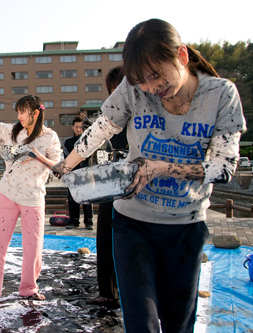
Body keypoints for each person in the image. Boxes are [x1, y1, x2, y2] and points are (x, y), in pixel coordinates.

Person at [53, 19, 245, 332]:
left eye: (156, 75)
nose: (151, 88)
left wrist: (160, 167)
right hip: (133, 223)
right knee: (140, 324)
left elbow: (224, 168)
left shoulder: (220, 95)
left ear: (181, 55)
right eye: (141, 81)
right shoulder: (133, 90)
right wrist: (66, 165)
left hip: (185, 225)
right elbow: (102, 128)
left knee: (177, 323)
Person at [0, 95, 61, 301]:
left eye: (23, 112)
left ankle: (29, 289)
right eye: (18, 112)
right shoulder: (13, 131)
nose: (19, 116)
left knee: (33, 248)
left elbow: (58, 166)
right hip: (7, 192)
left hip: (33, 197)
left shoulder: (50, 136)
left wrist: (36, 155)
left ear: (35, 113)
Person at [88, 65, 127, 309]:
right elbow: (91, 144)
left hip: (136, 189)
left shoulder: (143, 117)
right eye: (111, 90)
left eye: (119, 89)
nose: (115, 95)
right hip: (109, 186)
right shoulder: (108, 117)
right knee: (104, 239)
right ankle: (108, 292)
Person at [63, 116, 94, 230]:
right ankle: (73, 221)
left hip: (86, 173)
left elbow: (88, 155)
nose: (79, 129)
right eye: (76, 127)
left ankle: (89, 222)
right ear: (72, 127)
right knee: (72, 198)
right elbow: (67, 156)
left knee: (87, 198)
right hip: (72, 174)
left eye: (81, 127)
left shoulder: (89, 140)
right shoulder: (67, 142)